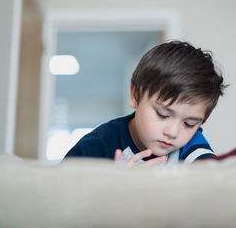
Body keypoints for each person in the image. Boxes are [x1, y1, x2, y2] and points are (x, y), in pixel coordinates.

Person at [64, 41, 227, 165]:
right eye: (163, 114)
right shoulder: (96, 146)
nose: (173, 132)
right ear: (135, 96)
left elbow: (211, 178)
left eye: (189, 124)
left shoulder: (192, 142)